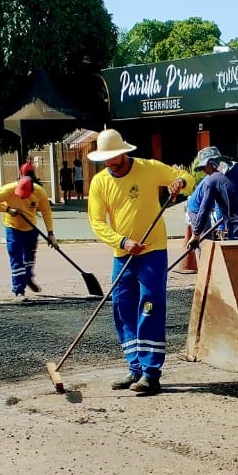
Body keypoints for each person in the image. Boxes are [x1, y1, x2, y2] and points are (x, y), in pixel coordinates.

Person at [86, 128, 188, 396]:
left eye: (113, 157)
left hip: (152, 250)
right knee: (122, 308)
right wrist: (121, 242)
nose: (109, 162)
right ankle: (134, 367)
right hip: (123, 254)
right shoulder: (99, 183)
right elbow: (97, 222)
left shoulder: (148, 168)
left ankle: (151, 373)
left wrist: (179, 183)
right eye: (105, 158)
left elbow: (186, 176)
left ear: (124, 152)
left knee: (151, 305)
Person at [0, 167, 55, 302]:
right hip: (13, 228)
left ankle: (28, 276)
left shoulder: (39, 193)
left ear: (32, 190)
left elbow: (46, 212)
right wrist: (7, 209)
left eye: (24, 195)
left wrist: (50, 233)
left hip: (30, 228)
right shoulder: (8, 189)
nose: (21, 196)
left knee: (29, 258)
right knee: (16, 258)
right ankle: (19, 291)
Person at [187, 146, 238, 242]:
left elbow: (204, 210)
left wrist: (195, 235)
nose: (203, 171)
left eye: (204, 167)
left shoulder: (212, 180)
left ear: (212, 163)